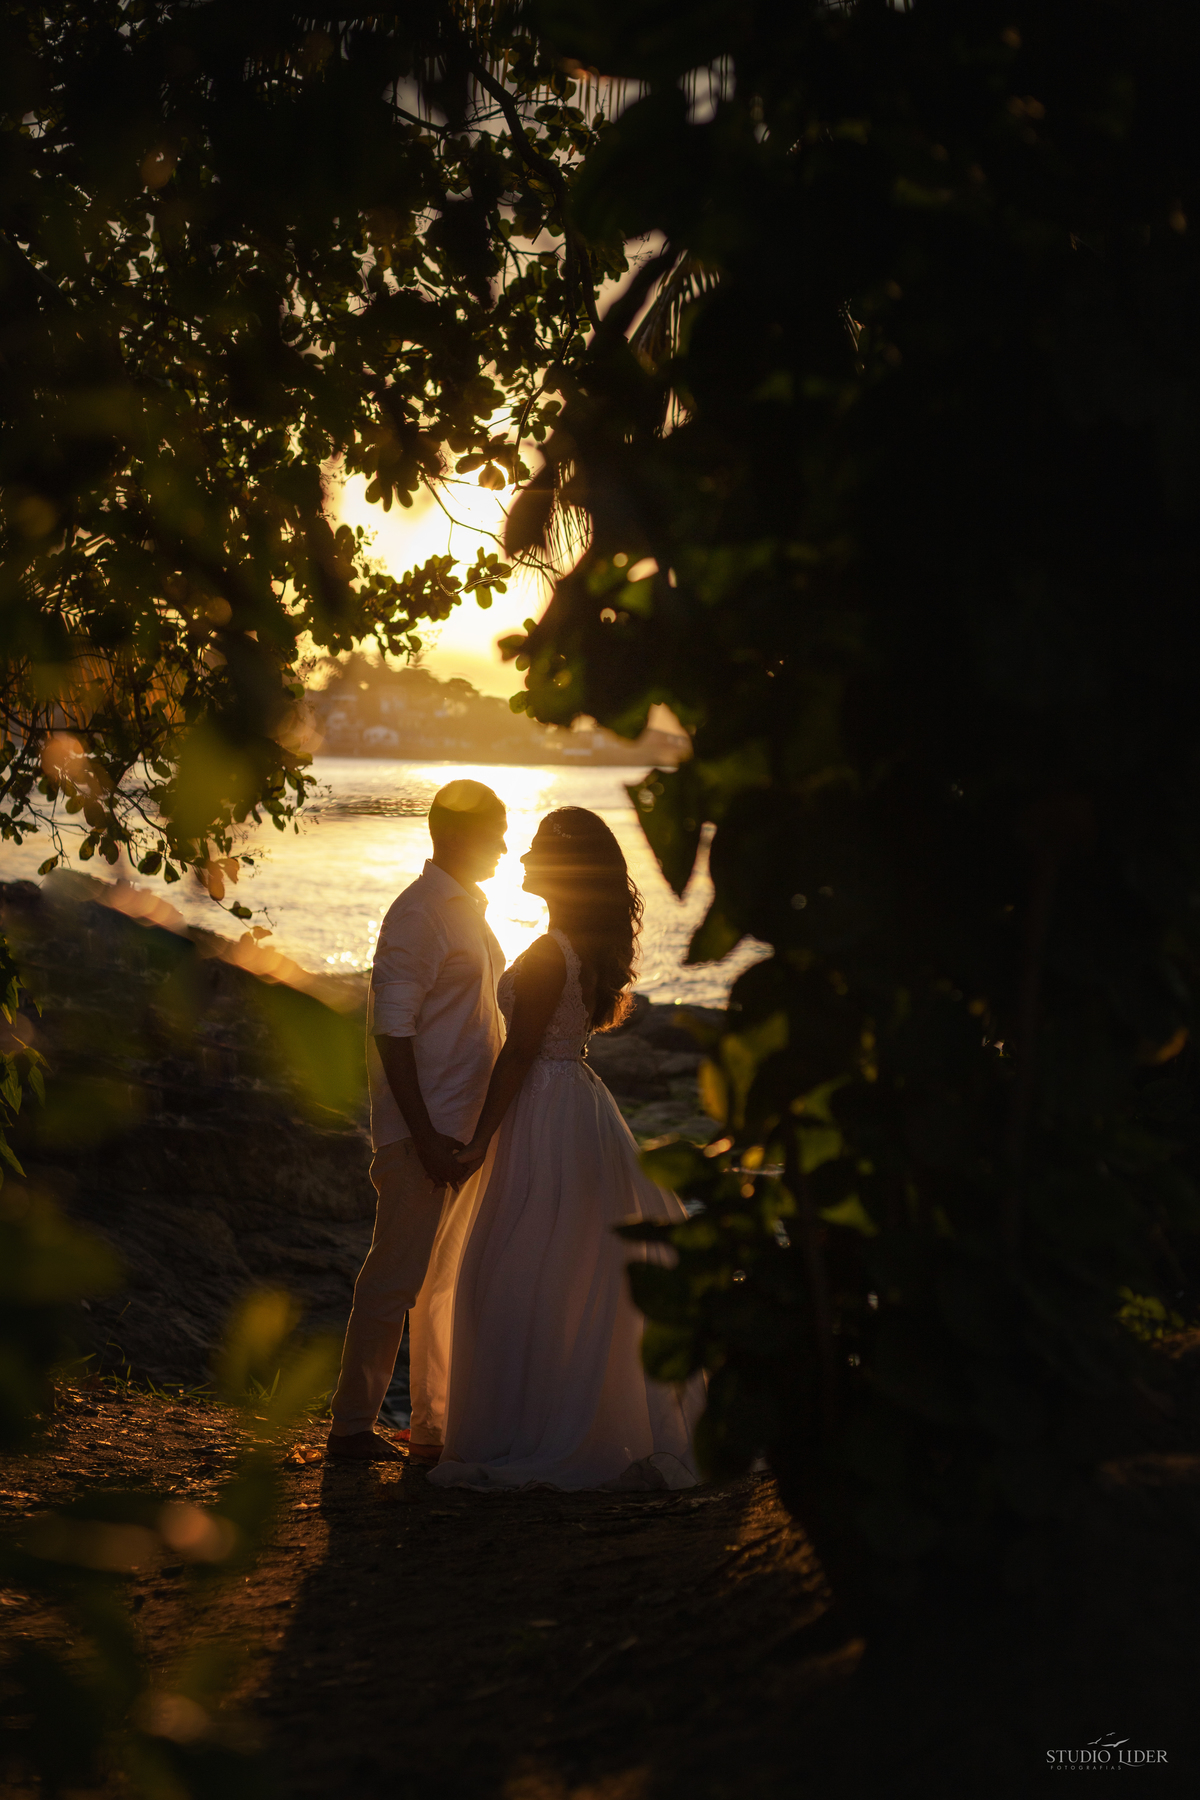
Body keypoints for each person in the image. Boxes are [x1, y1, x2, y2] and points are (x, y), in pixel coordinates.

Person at [427, 806, 704, 1492]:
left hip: (542, 1109)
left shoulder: (553, 953)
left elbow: (519, 1053)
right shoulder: (576, 944)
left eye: (537, 849)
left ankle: (528, 1431)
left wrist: (479, 1139)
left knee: (515, 1269)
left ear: (563, 868)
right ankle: (548, 1418)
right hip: (577, 1101)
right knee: (562, 1269)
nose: (522, 858)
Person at [326, 779, 507, 1463]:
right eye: (495, 833)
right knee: (395, 1277)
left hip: (460, 1127)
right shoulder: (421, 913)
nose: (504, 846)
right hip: (425, 1130)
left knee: (442, 1286)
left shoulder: (466, 909)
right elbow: (390, 1029)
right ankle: (350, 1428)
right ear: (457, 834)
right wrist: (423, 1134)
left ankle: (433, 1425)